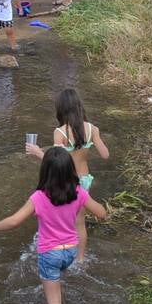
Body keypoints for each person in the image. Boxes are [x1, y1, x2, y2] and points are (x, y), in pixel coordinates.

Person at [0, 146, 110, 304]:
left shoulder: (39, 197)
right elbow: (102, 214)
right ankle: (51, 302)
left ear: (45, 171)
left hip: (50, 254)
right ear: (70, 170)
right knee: (55, 286)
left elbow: (14, 221)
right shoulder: (78, 193)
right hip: (70, 251)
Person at [25, 88, 110, 265]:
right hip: (84, 180)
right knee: (79, 222)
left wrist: (37, 151)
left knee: (58, 214)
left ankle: (56, 246)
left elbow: (56, 161)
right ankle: (79, 259)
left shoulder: (61, 132)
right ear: (79, 106)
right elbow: (105, 155)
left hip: (67, 179)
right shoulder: (92, 129)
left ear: (61, 109)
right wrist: (95, 139)